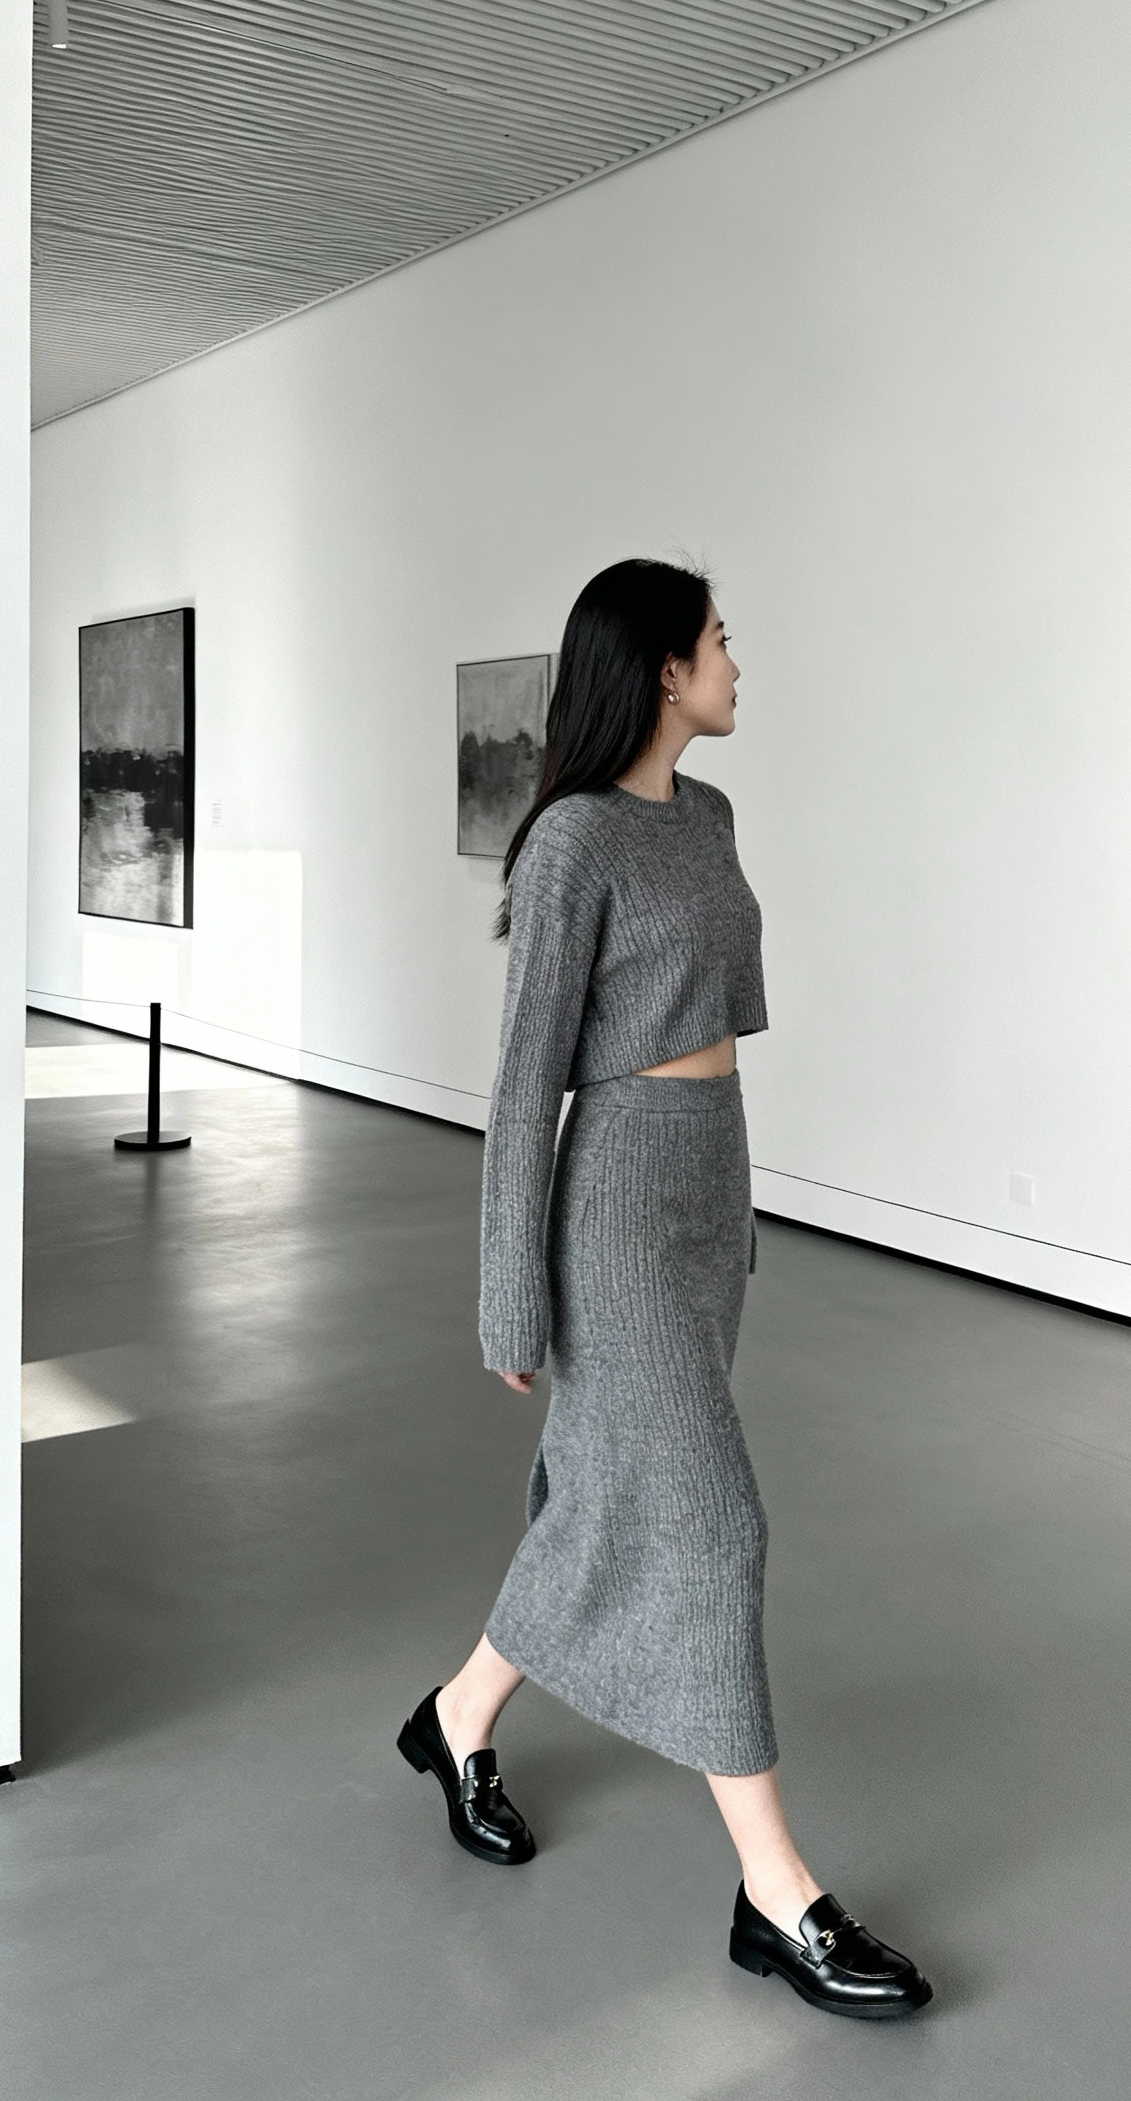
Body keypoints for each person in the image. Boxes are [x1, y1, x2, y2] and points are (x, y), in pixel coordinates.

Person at [399, 558, 930, 2021]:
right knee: (711, 1519)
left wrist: (732, 1205)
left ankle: (458, 1721)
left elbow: (716, 1027)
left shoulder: (710, 817)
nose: (737, 664)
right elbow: (522, 1088)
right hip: (617, 1199)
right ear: (660, 674)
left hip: (706, 1184)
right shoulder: (570, 844)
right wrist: (511, 1293)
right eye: (720, 643)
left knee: (606, 1495)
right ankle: (779, 1893)